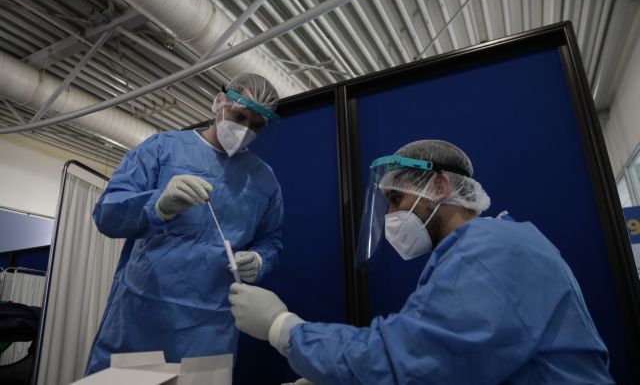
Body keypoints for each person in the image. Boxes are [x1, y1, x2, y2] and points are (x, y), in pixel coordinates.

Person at [229, 140, 614, 384]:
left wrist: (283, 328)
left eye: (396, 200)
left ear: (439, 186)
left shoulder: (487, 254)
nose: (390, 216)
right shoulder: (493, 244)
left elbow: (405, 360)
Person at [85, 73, 285, 374]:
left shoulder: (264, 180)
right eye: (239, 116)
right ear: (219, 102)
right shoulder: (162, 149)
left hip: (210, 332)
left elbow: (271, 240)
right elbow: (107, 215)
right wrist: (158, 205)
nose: (244, 130)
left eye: (256, 125)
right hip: (141, 319)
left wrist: (259, 259)